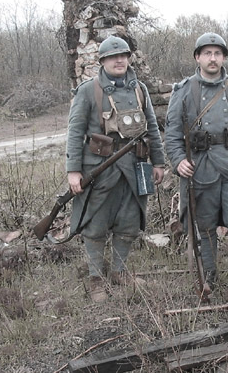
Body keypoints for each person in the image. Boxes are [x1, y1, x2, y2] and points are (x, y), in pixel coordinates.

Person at [66, 35, 165, 302]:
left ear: (129, 58)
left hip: (135, 167)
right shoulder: (89, 90)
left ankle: (120, 272)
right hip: (100, 169)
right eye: (112, 56)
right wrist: (73, 170)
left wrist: (158, 161)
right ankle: (96, 279)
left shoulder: (139, 89)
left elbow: (152, 128)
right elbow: (75, 132)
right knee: (95, 225)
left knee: (129, 223)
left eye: (123, 55)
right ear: (103, 61)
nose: (119, 60)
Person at [164, 32, 228, 292]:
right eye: (207, 53)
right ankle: (209, 277)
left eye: (217, 53)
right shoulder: (184, 91)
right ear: (198, 57)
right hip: (201, 169)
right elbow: (173, 134)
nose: (212, 58)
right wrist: (177, 161)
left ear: (223, 58)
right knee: (206, 226)